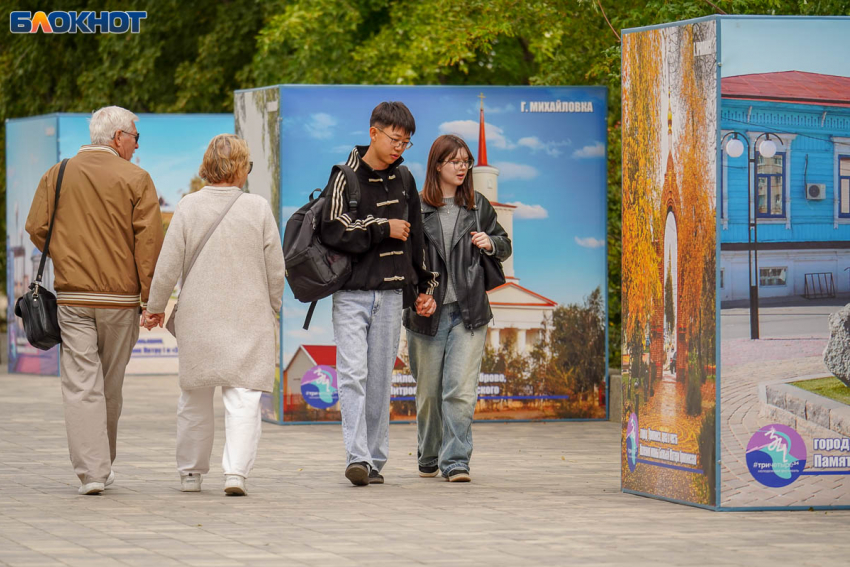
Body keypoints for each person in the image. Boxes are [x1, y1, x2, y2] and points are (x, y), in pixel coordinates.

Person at [25, 106, 164, 495]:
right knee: (109, 384)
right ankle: (103, 464)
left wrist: (66, 253)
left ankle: (93, 472)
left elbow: (36, 227)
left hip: (73, 297)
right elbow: (149, 243)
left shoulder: (57, 174)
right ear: (118, 137)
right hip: (120, 300)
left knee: (81, 383)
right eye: (135, 137)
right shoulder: (137, 178)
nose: (137, 146)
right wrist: (150, 299)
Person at [144, 134, 285, 496]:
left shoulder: (188, 207)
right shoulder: (257, 208)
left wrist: (155, 307)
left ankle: (191, 473)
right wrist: (273, 307)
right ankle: (235, 473)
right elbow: (276, 269)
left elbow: (168, 265)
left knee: (194, 396)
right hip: (248, 316)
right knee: (243, 397)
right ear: (240, 168)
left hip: (199, 318)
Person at [319, 101, 438, 486]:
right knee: (353, 373)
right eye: (394, 139)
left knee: (379, 380)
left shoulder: (404, 179)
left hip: (390, 295)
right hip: (351, 293)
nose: (399, 148)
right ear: (374, 133)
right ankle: (357, 457)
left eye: (406, 142)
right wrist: (382, 227)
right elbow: (333, 228)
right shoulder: (344, 175)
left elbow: (417, 239)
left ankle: (373, 461)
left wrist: (422, 288)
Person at [403, 134, 512, 482]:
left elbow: (504, 243)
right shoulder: (415, 207)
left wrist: (490, 242)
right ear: (438, 165)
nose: (463, 167)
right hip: (426, 315)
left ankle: (456, 462)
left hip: (469, 312)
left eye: (466, 161)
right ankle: (429, 453)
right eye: (455, 161)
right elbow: (401, 261)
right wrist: (415, 296)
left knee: (460, 392)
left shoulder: (478, 206)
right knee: (429, 393)